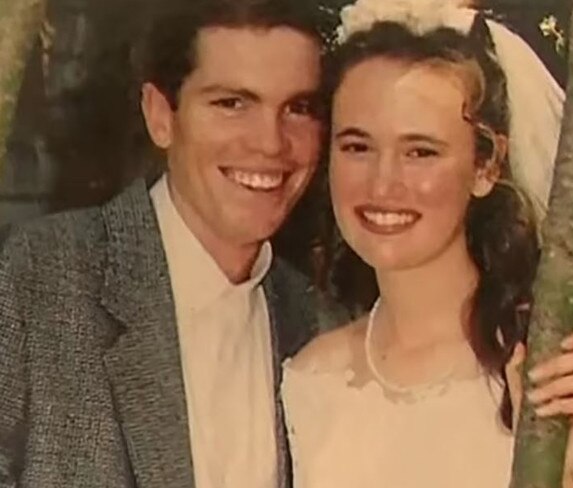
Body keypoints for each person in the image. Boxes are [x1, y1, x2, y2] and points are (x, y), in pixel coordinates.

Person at [281, 2, 573, 487]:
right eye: (358, 147)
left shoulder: (570, 363)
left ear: (485, 166)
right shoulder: (313, 381)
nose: (383, 182)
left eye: (421, 152)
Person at [0, 0, 343, 487]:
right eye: (232, 103)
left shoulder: (321, 329)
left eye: (298, 108)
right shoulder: (38, 278)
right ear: (160, 115)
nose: (270, 142)